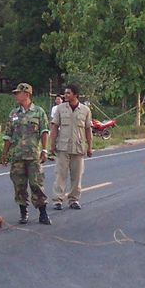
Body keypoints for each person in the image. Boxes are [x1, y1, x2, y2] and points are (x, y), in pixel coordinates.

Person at [1, 82, 51, 225]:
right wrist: (5, 154)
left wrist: (45, 150)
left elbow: (44, 132)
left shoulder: (39, 112)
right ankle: (23, 213)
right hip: (17, 156)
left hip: (33, 155)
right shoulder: (14, 113)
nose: (16, 95)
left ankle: (43, 213)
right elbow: (8, 135)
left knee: (36, 184)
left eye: (18, 93)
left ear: (27, 94)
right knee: (19, 185)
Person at [50, 82, 93, 210]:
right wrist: (52, 144)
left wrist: (90, 146)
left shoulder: (85, 110)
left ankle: (74, 199)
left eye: (68, 93)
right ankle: (58, 200)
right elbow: (54, 127)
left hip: (78, 148)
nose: (65, 95)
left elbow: (88, 129)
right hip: (63, 147)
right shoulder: (60, 109)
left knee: (77, 176)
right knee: (60, 174)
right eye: (65, 92)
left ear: (76, 95)